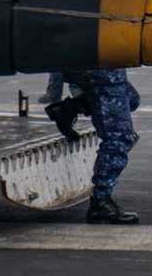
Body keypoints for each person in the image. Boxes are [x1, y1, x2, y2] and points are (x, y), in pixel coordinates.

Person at [45, 69, 140, 224]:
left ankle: (69, 108)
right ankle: (101, 201)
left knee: (132, 99)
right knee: (119, 138)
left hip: (106, 71)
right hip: (101, 72)